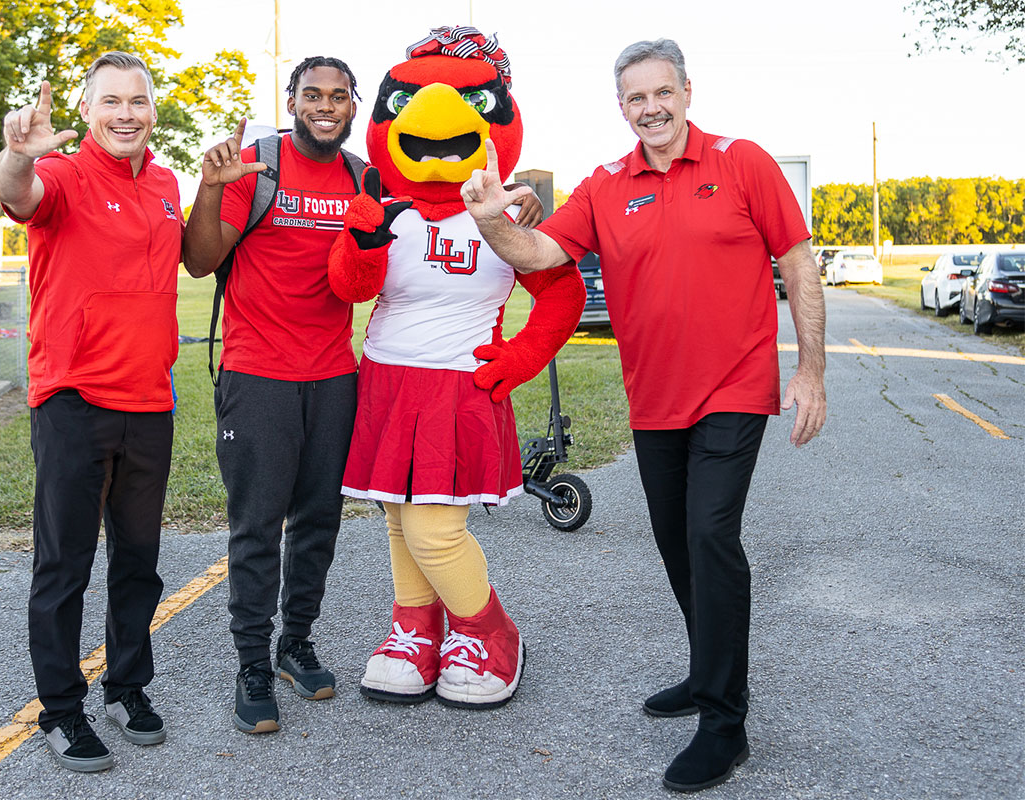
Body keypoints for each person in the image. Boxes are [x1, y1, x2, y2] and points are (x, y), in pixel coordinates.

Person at [461, 38, 826, 793]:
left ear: (687, 91)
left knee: (709, 535)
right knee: (675, 543)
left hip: (735, 387)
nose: (651, 108)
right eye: (636, 98)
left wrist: (811, 370)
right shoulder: (605, 185)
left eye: (662, 93)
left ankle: (724, 722)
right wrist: (492, 219)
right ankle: (707, 671)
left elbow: (796, 261)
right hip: (654, 397)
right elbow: (535, 254)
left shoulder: (742, 161)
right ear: (621, 106)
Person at [183, 56, 542, 735]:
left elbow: (450, 214)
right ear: (290, 99)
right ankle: (252, 666)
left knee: (318, 524)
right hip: (258, 374)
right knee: (258, 528)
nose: (326, 105)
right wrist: (208, 188)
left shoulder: (364, 179)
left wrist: (524, 198)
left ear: (356, 108)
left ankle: (296, 646)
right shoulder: (258, 167)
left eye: (339, 96)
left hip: (336, 377)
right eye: (312, 94)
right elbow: (200, 259)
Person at [327, 26, 585, 712]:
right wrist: (360, 239)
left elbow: (563, 292)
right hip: (386, 378)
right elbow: (351, 288)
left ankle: (488, 632)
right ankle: (416, 628)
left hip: (457, 385)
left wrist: (524, 357)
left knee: (435, 529)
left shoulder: (506, 211)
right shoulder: (384, 202)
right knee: (396, 516)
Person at [0, 51, 182, 773]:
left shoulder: (166, 183)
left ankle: (126, 686)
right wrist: (15, 156)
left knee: (139, 562)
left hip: (149, 401)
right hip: (72, 400)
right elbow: (20, 191)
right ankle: (61, 711)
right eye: (111, 102)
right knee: (65, 564)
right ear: (88, 111)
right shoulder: (63, 173)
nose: (125, 114)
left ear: (152, 110)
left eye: (137, 101)